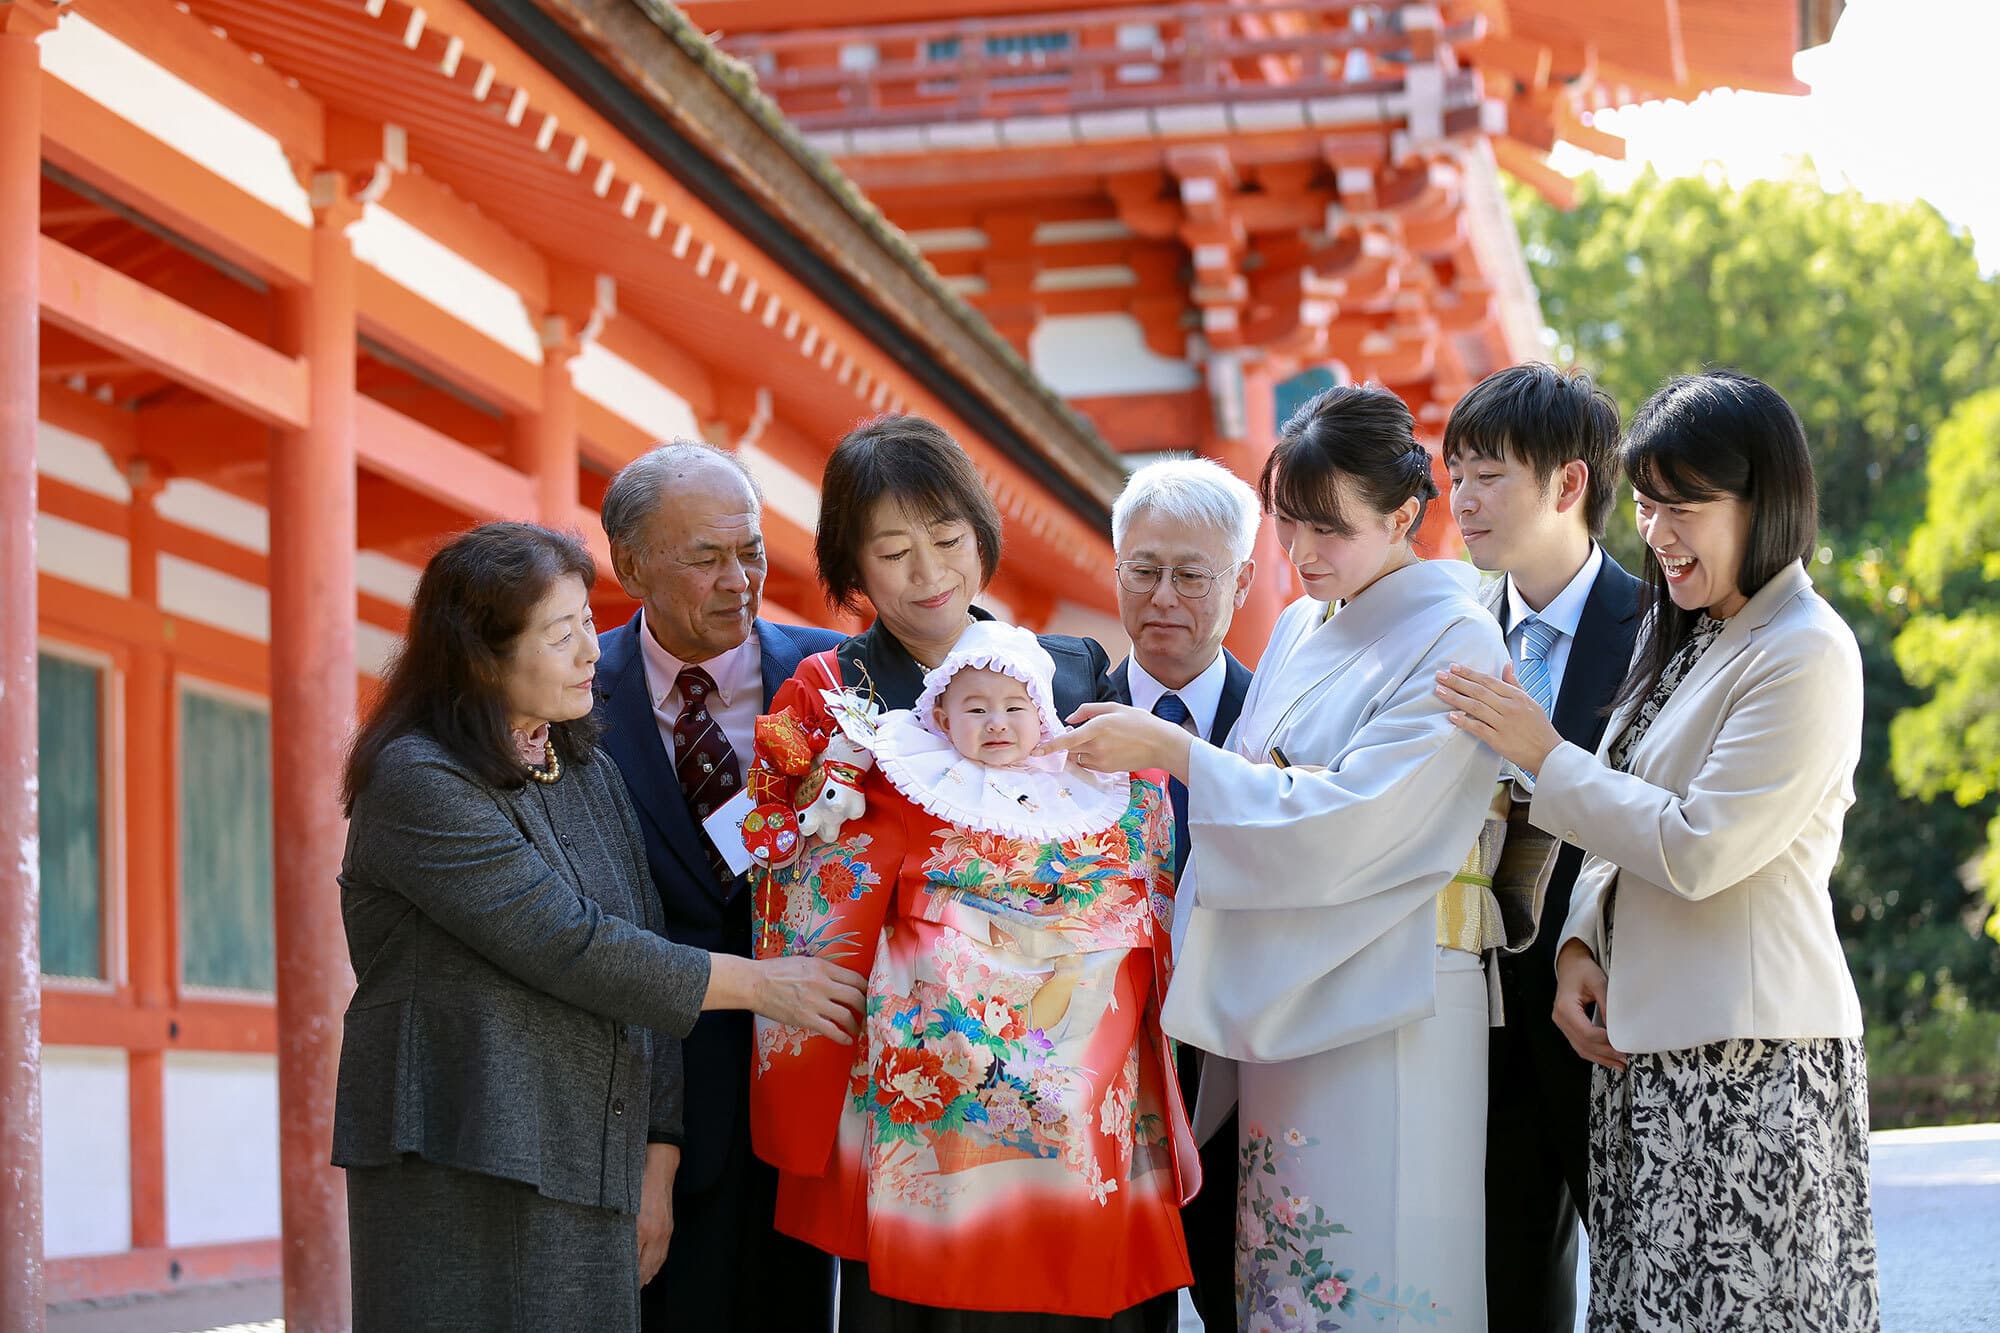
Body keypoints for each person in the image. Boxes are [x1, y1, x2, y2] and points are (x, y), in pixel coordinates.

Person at [1046, 384, 1511, 1331]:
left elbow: (1360, 821)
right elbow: (1264, 784)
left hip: (1394, 987)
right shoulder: (1306, 622)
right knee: (1282, 1264)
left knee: (1381, 1255)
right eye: (1290, 525)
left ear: (1404, 515)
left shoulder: (1459, 635)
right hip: (1289, 994)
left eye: (1330, 529)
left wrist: (1179, 753)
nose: (1301, 555)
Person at [333, 521, 865, 1333]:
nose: (592, 650)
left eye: (588, 620)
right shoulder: (417, 778)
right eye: (562, 632)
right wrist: (762, 984)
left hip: (593, 1150)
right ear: (481, 652)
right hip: (461, 1141)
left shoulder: (578, 759)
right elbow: (570, 942)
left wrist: (658, 1152)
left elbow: (642, 934)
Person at [1437, 369, 1880, 1330]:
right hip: (1650, 1065)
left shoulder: (1804, 648)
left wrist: (1540, 754)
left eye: (1686, 506)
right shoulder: (1698, 638)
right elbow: (1620, 823)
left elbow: (1698, 845)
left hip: (1754, 1067)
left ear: (1766, 502)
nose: (1659, 533)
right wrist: (1579, 945)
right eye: (1647, 506)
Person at [747, 620, 1197, 1327]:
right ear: (940, 714)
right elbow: (835, 880)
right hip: (939, 1036)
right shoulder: (895, 765)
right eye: (976, 707)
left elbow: (1133, 890)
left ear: (1044, 714)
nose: (996, 723)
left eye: (1016, 707)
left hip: (1073, 1048)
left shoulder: (1101, 785)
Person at [589, 443, 846, 1332]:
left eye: (752, 550)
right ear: (631, 566)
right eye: (705, 557)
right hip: (653, 1108)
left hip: (819, 1099)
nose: (738, 579)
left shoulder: (842, 680)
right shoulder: (574, 701)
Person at [1441, 363, 1641, 1333]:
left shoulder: (1657, 628)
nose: (1460, 499)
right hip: (1469, 1015)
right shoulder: (1453, 632)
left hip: (1609, 1011)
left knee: (1646, 1274)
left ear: (1567, 484)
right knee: (1506, 1285)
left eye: (1486, 475)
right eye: (1455, 474)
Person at [1104, 457, 1258, 1333]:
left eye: (1191, 575)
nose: (1163, 596)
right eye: (1144, 568)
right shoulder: (1052, 712)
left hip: (1238, 1074)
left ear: (1240, 579)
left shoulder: (1277, 721)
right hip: (1102, 1087)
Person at [811, 414, 1114, 720]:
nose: (929, 574)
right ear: (852, 567)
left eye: (948, 541)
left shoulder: (1074, 674)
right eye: (895, 553)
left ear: (979, 536)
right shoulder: (829, 687)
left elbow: (1142, 767)